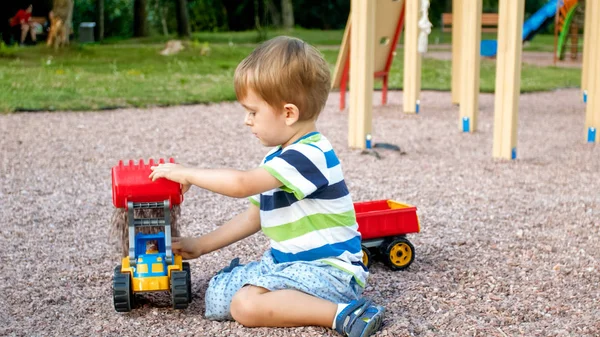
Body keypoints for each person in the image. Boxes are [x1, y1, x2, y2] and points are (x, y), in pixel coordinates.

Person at [149, 36, 385, 337]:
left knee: (244, 307)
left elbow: (241, 184)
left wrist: (188, 173)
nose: (247, 121)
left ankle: (345, 315)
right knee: (217, 297)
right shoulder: (280, 156)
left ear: (289, 113)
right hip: (290, 265)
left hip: (330, 273)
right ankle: (265, 288)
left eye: (253, 111)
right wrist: (201, 244)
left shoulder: (310, 155)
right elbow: (255, 216)